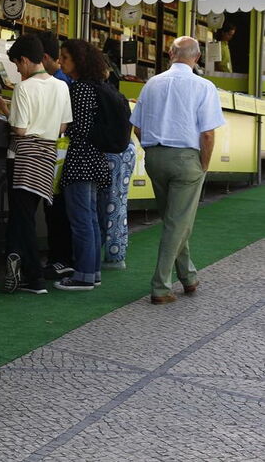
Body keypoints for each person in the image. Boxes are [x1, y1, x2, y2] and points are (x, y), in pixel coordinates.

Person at [130, 36, 225, 304]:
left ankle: (189, 277)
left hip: (155, 157)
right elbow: (207, 134)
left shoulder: (152, 83)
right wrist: (204, 165)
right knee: (178, 223)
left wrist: (150, 150)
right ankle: (160, 286)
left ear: (170, 53)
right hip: (186, 159)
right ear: (196, 58)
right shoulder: (204, 86)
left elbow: (136, 126)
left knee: (174, 221)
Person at [0, 35, 72, 295]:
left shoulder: (24, 88)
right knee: (29, 216)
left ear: (26, 60)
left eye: (17, 64)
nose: (17, 70)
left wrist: (7, 113)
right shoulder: (61, 87)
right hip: (48, 155)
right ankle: (19, 268)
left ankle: (33, 277)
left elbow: (19, 129)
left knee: (22, 218)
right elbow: (63, 125)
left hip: (24, 156)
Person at [55, 40, 111, 291]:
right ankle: (93, 271)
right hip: (95, 158)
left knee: (81, 220)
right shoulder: (97, 86)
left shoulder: (80, 89)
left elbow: (79, 127)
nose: (61, 62)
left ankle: (84, 274)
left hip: (80, 158)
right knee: (89, 218)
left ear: (78, 60)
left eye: (65, 57)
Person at [37, 30, 74, 278]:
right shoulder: (62, 81)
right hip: (58, 152)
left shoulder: (60, 83)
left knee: (57, 210)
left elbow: (63, 122)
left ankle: (60, 259)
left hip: (58, 153)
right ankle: (58, 257)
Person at [98, 56, 136, 270]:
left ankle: (112, 254)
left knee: (109, 205)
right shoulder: (115, 93)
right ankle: (115, 253)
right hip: (124, 151)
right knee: (117, 204)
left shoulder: (97, 92)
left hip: (113, 153)